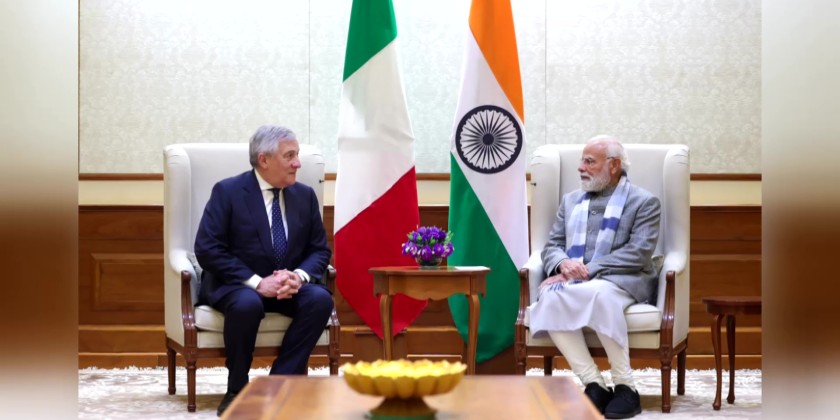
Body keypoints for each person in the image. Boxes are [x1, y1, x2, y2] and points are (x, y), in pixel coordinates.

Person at [194, 125, 333, 416]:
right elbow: (208, 249)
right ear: (264, 159)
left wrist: (298, 277)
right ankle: (236, 389)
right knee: (247, 304)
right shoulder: (228, 192)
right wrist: (258, 282)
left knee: (320, 299)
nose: (298, 163)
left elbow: (319, 250)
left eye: (297, 155)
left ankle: (277, 385)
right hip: (238, 285)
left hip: (287, 285)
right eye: (290, 155)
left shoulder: (305, 196)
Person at [528, 135, 660, 419]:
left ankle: (626, 386)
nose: (581, 168)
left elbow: (638, 253)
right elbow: (552, 245)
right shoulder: (570, 201)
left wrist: (587, 269)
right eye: (582, 161)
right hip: (577, 280)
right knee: (549, 297)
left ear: (613, 165)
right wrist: (563, 263)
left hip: (625, 280)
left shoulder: (644, 202)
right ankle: (594, 383)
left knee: (599, 294)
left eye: (590, 162)